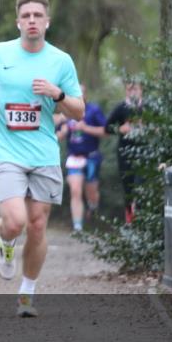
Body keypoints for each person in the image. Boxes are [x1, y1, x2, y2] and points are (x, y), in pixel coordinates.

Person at [0, 0, 84, 318]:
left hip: (45, 154)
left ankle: (27, 293)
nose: (32, 20)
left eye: (38, 15)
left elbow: (78, 111)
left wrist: (57, 93)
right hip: (7, 152)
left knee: (37, 226)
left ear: (47, 22)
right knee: (16, 222)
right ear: (18, 21)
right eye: (26, 16)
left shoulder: (61, 61)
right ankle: (5, 241)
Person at [57, 83, 106, 233]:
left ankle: (93, 209)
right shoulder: (65, 113)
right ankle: (77, 226)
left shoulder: (93, 110)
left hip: (91, 157)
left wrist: (86, 128)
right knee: (76, 190)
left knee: (91, 192)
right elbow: (55, 137)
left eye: (80, 93)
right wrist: (63, 132)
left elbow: (106, 131)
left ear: (85, 95)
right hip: (74, 158)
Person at [106, 80, 144, 224]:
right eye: (130, 89)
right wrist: (120, 129)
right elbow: (107, 127)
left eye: (135, 89)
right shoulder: (121, 108)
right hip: (125, 153)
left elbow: (160, 126)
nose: (133, 92)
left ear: (141, 90)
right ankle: (129, 220)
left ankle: (141, 220)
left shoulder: (148, 107)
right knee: (128, 188)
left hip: (144, 153)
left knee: (141, 186)